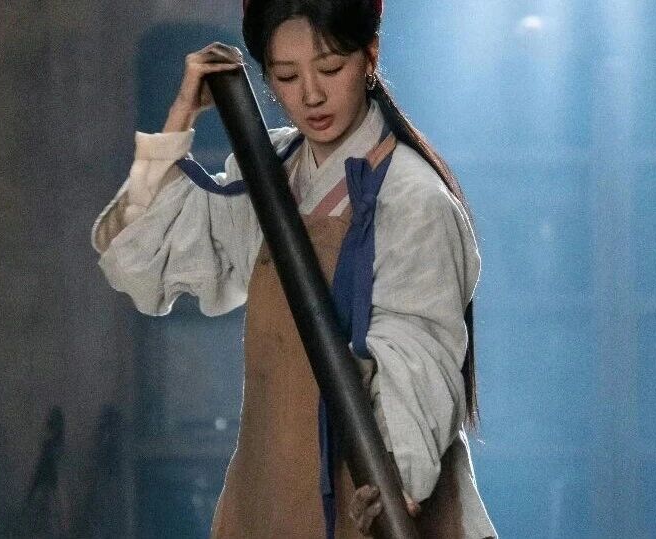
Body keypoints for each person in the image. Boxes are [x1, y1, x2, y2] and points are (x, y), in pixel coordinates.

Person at [91, 0, 496, 537]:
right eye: (286, 76)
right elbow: (142, 263)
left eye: (330, 68)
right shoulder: (272, 171)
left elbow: (419, 355)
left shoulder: (413, 199)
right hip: (272, 494)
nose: (310, 95)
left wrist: (395, 488)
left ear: (370, 55)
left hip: (372, 502)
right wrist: (179, 119)